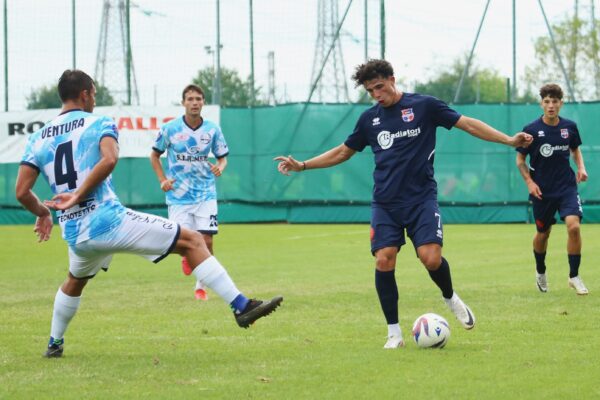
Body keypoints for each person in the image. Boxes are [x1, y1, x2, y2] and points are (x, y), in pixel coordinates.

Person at [15, 70, 282, 358]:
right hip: (108, 221)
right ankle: (242, 306)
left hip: (75, 232)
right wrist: (79, 194)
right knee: (193, 241)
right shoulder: (99, 122)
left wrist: (43, 212)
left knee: (74, 281)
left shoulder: (38, 138)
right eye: (93, 93)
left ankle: (54, 343)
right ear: (85, 94)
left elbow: (21, 192)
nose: (94, 99)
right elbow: (110, 158)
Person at [275, 59, 533, 349]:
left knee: (431, 259)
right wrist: (304, 166)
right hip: (385, 203)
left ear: (393, 80)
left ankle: (450, 297)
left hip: (421, 198)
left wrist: (510, 141)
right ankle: (394, 333)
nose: (376, 94)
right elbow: (343, 152)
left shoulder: (425, 106)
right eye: (370, 91)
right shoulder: (369, 120)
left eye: (380, 87)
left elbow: (468, 125)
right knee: (384, 258)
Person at [150, 84, 228, 301]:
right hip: (179, 196)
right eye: (190, 99)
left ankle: (201, 286)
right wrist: (162, 180)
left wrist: (219, 168)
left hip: (205, 193)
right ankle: (186, 256)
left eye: (198, 99)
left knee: (208, 241)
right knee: (182, 242)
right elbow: (154, 156)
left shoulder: (212, 129)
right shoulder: (170, 129)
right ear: (183, 102)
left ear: (203, 102)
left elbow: (222, 158)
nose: (195, 103)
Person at [515, 83, 588, 295]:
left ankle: (574, 276)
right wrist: (529, 182)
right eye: (547, 101)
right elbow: (520, 159)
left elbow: (575, 150)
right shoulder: (530, 130)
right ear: (541, 104)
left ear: (561, 104)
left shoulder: (570, 127)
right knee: (543, 233)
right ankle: (540, 271)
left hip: (566, 187)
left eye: (555, 101)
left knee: (573, 227)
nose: (551, 106)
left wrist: (581, 168)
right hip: (542, 191)